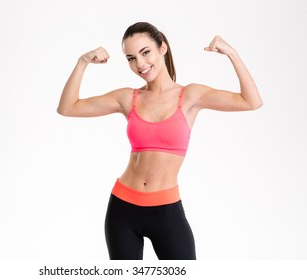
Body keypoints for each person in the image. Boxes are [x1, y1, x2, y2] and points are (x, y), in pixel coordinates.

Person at [57, 22, 263, 260]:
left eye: (145, 52)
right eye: (131, 58)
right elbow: (67, 107)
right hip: (122, 208)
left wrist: (232, 54)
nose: (140, 64)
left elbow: (252, 101)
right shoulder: (128, 97)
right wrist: (82, 62)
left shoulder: (190, 96)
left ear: (162, 48)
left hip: (166, 211)